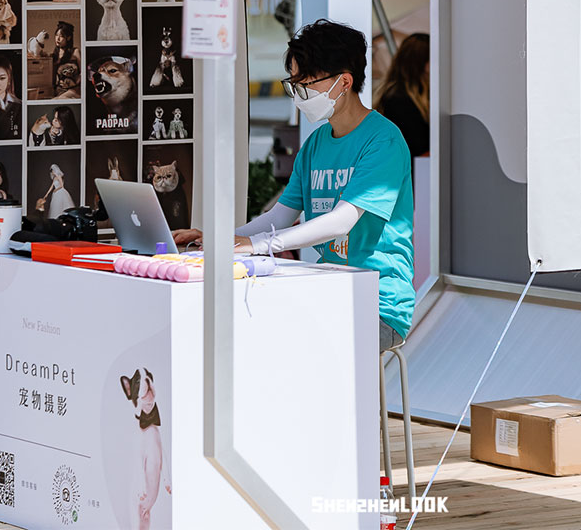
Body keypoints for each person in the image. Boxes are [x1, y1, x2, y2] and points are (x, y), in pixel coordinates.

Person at [174, 19, 415, 350]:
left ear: (344, 82)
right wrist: (218, 241)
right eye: (294, 84)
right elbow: (280, 216)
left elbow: (341, 221)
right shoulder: (315, 144)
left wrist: (257, 244)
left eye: (306, 84)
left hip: (378, 305)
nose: (299, 95)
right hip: (327, 292)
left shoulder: (383, 141)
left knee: (281, 345)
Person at [375, 32, 430, 164]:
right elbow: (419, 150)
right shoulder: (400, 100)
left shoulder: (393, 95)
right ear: (423, 63)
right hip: (413, 171)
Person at [52, 21, 80, 93]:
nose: (57, 39)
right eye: (56, 35)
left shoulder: (75, 52)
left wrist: (76, 82)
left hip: (74, 89)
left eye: (61, 36)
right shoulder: (55, 54)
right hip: (59, 89)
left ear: (68, 38)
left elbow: (83, 72)